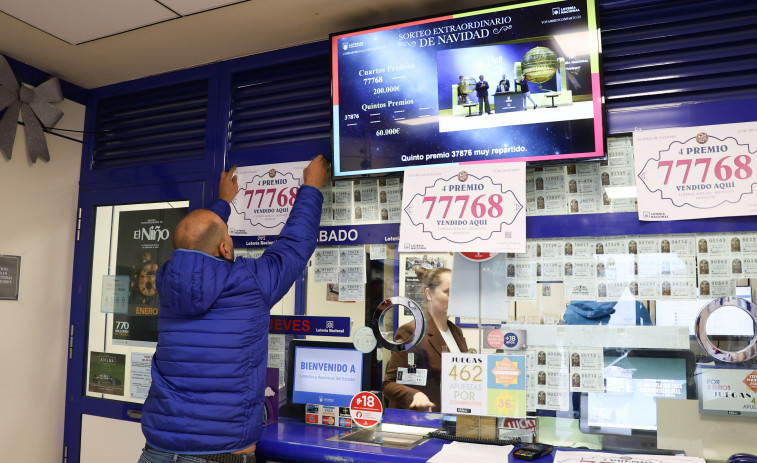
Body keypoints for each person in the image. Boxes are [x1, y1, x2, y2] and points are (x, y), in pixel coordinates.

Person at [139, 155, 330, 463]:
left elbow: (198, 242)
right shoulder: (250, 282)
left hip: (157, 452)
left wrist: (222, 203)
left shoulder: (166, 286)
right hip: (221, 455)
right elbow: (294, 246)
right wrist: (311, 187)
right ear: (226, 248)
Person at [383, 267, 468, 412]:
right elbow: (388, 384)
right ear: (429, 294)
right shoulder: (412, 332)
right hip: (422, 421)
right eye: (448, 292)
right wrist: (415, 395)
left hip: (451, 417)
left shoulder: (456, 332)